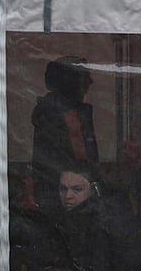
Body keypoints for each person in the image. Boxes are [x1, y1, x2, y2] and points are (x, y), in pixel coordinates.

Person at [47, 162, 141, 271]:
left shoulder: (106, 221)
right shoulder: (54, 219)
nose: (68, 196)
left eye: (77, 189)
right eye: (63, 189)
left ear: (94, 189)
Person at [32, 56, 100, 212]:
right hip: (64, 199)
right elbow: (81, 159)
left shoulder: (65, 110)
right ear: (72, 80)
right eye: (85, 77)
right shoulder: (62, 113)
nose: (90, 82)